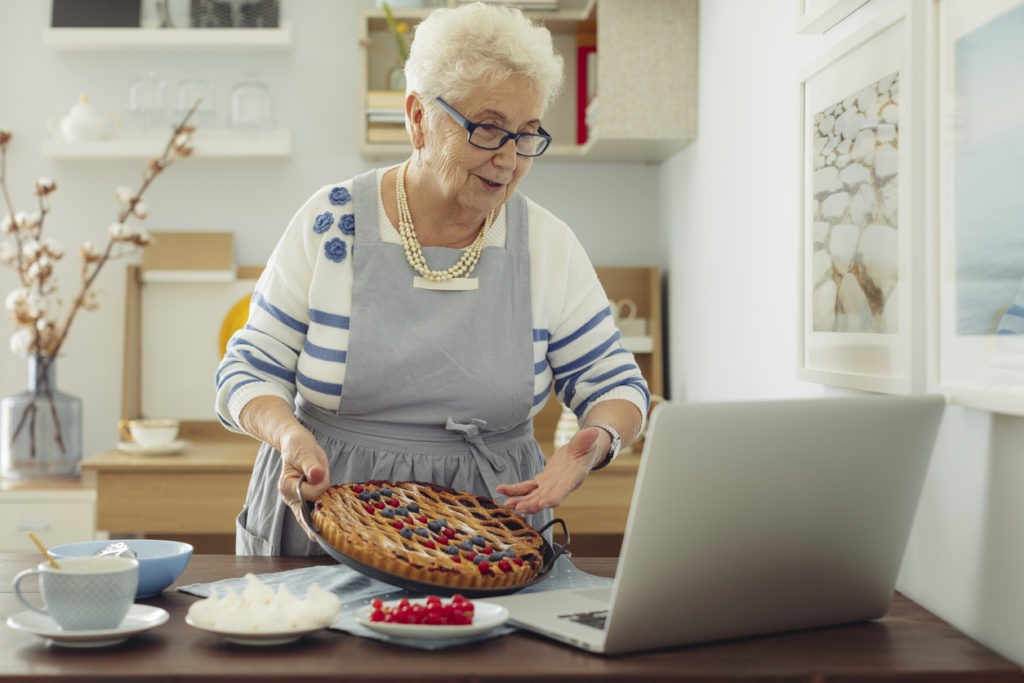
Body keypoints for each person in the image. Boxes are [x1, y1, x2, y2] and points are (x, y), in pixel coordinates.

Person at [214, 1, 650, 556]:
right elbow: (247, 368)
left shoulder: (545, 244)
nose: (510, 158)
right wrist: (289, 437)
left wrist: (593, 445)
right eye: (489, 129)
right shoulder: (332, 227)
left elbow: (615, 383)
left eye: (528, 134)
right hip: (326, 522)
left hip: (491, 537)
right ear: (419, 117)